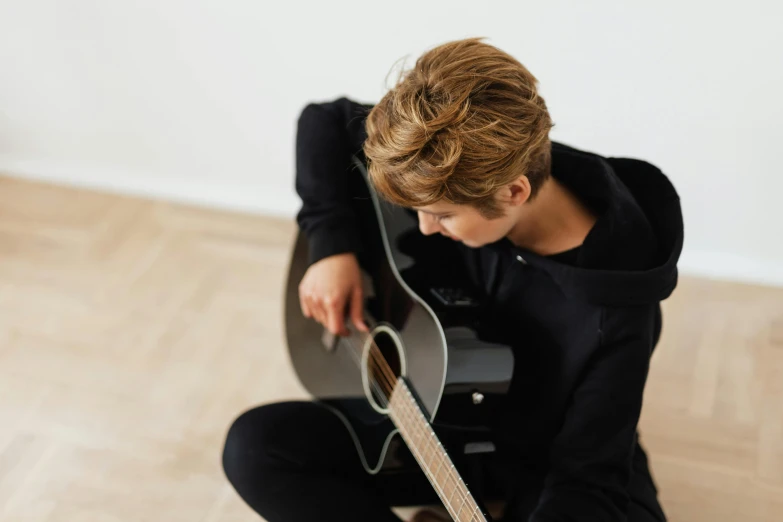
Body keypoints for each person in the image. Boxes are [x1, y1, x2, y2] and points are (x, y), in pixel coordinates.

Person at [221, 37, 682, 522]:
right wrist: (331, 245)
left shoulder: (619, 308)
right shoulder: (469, 159)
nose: (424, 228)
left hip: (540, 460)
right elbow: (325, 121)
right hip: (437, 417)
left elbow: (585, 474)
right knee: (255, 449)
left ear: (513, 192)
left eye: (442, 216)